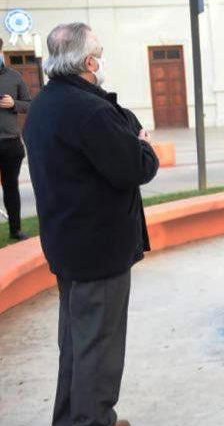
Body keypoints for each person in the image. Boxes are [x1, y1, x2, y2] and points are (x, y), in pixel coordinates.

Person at [24, 23, 158, 426]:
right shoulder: (90, 111)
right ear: (89, 61)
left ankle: (72, 417)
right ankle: (92, 419)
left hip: (68, 242)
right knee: (98, 347)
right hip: (98, 248)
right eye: (100, 52)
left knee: (77, 344)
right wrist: (144, 144)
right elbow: (135, 167)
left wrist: (128, 133)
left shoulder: (48, 101)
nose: (103, 60)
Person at [0, 37, 32, 240]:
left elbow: (29, 104)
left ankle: (15, 230)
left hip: (11, 143)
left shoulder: (14, 76)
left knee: (11, 187)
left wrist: (13, 104)